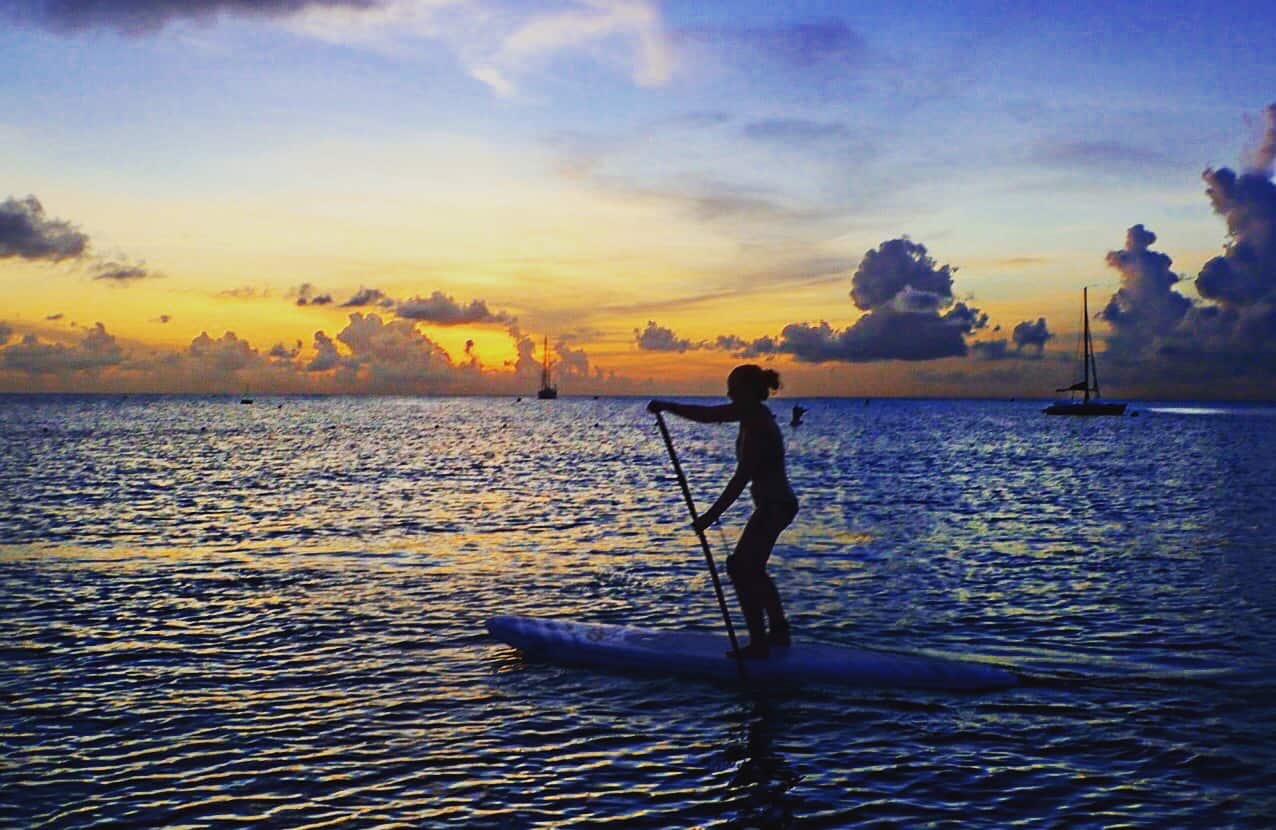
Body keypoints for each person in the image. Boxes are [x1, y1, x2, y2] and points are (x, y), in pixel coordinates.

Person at [648, 364, 799, 658]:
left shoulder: (757, 424)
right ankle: (778, 631)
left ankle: (759, 643)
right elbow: (708, 415)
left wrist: (709, 517)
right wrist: (667, 406)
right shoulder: (750, 414)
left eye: (733, 387)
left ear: (748, 391)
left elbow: (740, 479)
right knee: (751, 568)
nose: (728, 392)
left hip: (775, 506)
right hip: (774, 505)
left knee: (741, 568)